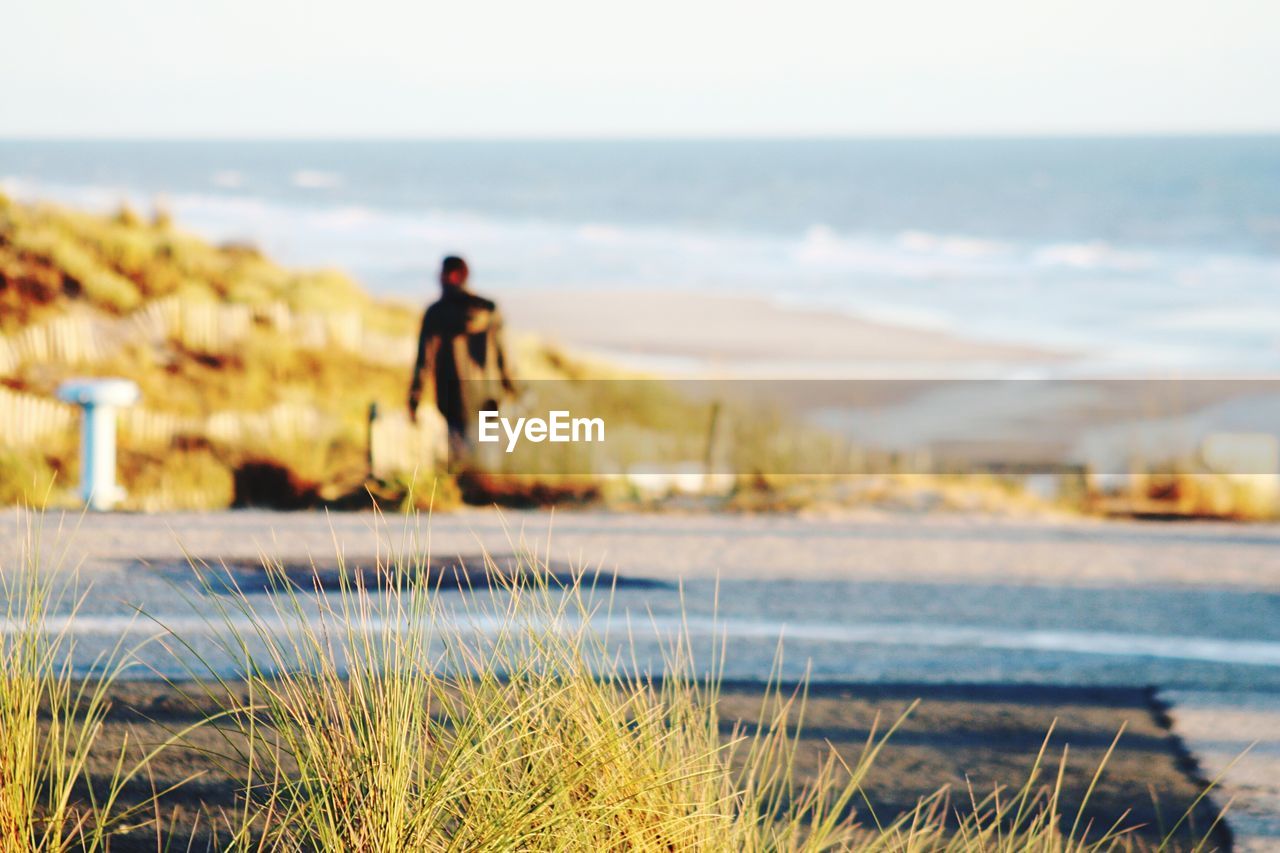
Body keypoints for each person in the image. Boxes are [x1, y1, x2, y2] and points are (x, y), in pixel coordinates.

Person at [408, 256, 516, 452]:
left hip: (454, 399)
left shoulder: (435, 314)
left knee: (461, 460)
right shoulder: (489, 310)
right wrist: (514, 388)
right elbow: (504, 356)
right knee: (488, 457)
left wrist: (414, 400)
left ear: (452, 276)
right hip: (489, 398)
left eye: (441, 273)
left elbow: (424, 362)